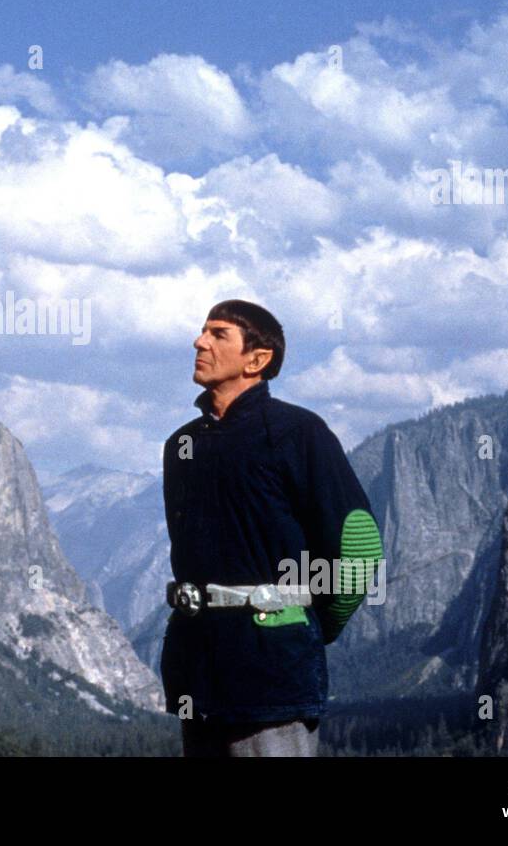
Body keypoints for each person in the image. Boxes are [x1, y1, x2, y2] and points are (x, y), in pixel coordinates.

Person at [160, 300, 383, 757]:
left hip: (272, 671)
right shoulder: (182, 446)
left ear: (257, 360)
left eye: (218, 334)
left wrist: (312, 626)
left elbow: (358, 544)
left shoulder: (298, 433)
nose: (199, 342)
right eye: (202, 331)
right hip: (197, 673)